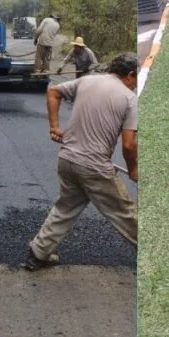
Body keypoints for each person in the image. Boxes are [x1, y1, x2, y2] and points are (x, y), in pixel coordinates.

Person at [24, 52, 139, 271]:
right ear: (130, 74)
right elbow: (128, 145)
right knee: (124, 212)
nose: (135, 86)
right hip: (94, 167)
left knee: (65, 207)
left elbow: (53, 91)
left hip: (67, 159)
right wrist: (133, 169)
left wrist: (54, 127)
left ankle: (37, 253)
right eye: (136, 80)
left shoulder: (86, 80)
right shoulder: (129, 99)